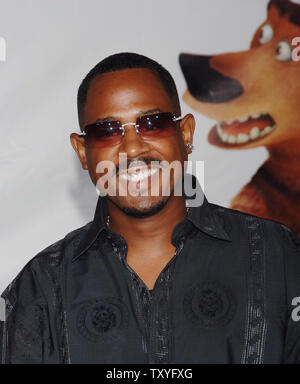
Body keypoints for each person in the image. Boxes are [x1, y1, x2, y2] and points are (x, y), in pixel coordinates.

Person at [1, 52, 300, 364]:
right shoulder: (40, 287)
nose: (132, 148)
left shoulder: (278, 257)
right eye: (106, 131)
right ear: (83, 151)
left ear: (185, 135)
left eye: (152, 124)